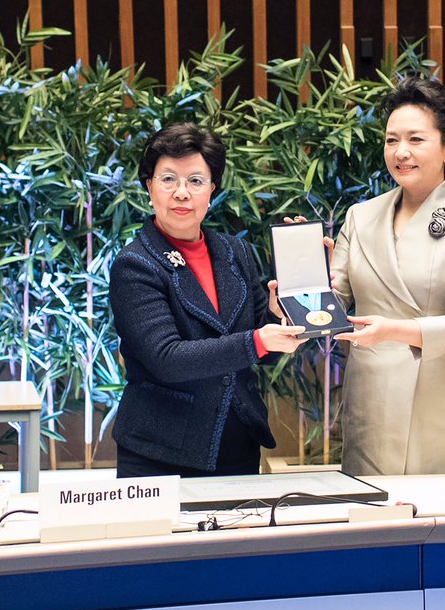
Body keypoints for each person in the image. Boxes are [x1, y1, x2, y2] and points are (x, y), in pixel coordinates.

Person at [110, 122, 304, 477]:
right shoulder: (134, 264)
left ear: (211, 190)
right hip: (161, 451)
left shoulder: (236, 251)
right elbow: (167, 359)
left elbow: (265, 345)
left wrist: (288, 313)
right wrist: (259, 339)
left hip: (238, 443)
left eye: (196, 181)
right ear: (149, 187)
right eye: (168, 179)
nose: (182, 193)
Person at [331, 75, 445, 476]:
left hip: (433, 403)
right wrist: (296, 295)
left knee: (433, 521)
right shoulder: (360, 216)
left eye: (415, 140)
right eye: (391, 140)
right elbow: (332, 302)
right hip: (368, 400)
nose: (400, 152)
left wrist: (392, 330)